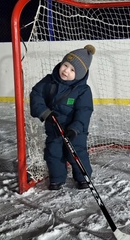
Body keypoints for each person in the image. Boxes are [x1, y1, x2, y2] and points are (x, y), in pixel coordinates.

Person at [30, 45, 96, 190]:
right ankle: (57, 178)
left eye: (72, 70)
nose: (66, 70)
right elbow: (36, 94)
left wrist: (76, 128)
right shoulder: (49, 81)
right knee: (53, 153)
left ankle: (82, 177)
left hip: (74, 130)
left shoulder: (83, 90)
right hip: (54, 127)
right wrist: (44, 112)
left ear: (79, 75)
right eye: (65, 65)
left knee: (76, 153)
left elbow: (84, 111)